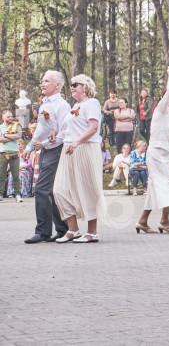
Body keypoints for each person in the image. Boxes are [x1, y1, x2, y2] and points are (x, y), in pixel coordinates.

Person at [52, 74, 108, 243]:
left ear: (85, 87)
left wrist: (76, 142)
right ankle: (73, 229)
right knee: (59, 190)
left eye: (76, 84)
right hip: (69, 149)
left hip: (85, 148)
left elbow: (93, 128)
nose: (72, 87)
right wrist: (54, 135)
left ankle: (92, 232)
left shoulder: (92, 103)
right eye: (71, 84)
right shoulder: (75, 106)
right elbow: (67, 129)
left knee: (87, 188)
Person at [135, 67, 169, 234]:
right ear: (168, 99)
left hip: (164, 154)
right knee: (167, 185)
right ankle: (164, 221)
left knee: (154, 189)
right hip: (155, 154)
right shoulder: (161, 109)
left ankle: (143, 221)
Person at [22, 71, 71, 243]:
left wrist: (46, 145)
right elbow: (41, 130)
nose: (42, 84)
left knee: (42, 188)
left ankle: (43, 231)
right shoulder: (43, 105)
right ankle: (63, 229)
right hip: (44, 150)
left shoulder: (62, 106)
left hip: (56, 150)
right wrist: (30, 147)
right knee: (49, 190)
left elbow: (65, 133)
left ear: (58, 85)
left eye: (47, 81)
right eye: (42, 81)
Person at [1, 110, 23, 202]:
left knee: (15, 176)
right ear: (3, 117)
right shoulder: (0, 127)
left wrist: (5, 135)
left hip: (14, 153)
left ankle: (17, 194)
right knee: (1, 175)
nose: (10, 118)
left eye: (11, 116)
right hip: (2, 154)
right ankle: (0, 194)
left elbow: (18, 136)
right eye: (8, 116)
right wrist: (11, 136)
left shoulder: (16, 125)